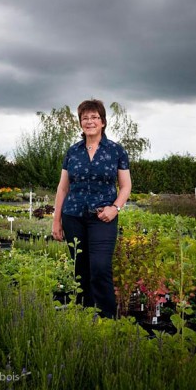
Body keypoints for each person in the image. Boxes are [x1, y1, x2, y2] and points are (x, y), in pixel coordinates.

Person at [52, 99, 132, 318]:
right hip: (73, 216)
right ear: (80, 123)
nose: (89, 121)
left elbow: (126, 186)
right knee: (80, 267)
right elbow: (62, 188)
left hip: (103, 217)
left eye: (94, 117)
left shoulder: (116, 150)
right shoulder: (73, 152)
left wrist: (115, 208)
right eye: (85, 118)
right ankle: (84, 311)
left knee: (99, 266)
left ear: (103, 122)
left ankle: (108, 318)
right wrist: (56, 221)